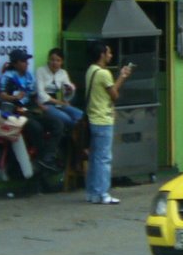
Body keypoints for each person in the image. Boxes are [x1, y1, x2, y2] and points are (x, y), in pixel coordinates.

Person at [0, 49, 65, 173]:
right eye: (23, 61)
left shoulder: (29, 76)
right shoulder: (7, 76)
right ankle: (39, 156)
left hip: (31, 109)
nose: (26, 63)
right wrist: (14, 98)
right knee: (35, 127)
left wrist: (40, 105)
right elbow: (1, 95)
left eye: (27, 61)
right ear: (15, 63)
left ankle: (46, 157)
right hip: (16, 112)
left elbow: (33, 95)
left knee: (57, 123)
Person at [85, 41, 132, 205]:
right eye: (109, 53)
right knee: (104, 158)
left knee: (95, 158)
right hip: (103, 119)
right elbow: (114, 95)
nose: (110, 55)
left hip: (92, 118)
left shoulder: (91, 70)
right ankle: (103, 193)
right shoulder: (104, 74)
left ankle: (92, 192)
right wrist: (123, 77)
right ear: (102, 55)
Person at [35, 47, 84, 131]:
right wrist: (58, 102)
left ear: (62, 62)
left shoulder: (63, 73)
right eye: (52, 60)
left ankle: (75, 136)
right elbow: (41, 94)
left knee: (80, 115)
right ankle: (74, 138)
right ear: (48, 60)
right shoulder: (40, 71)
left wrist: (70, 91)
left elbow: (68, 90)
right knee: (67, 119)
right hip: (45, 104)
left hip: (60, 103)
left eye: (58, 60)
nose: (54, 63)